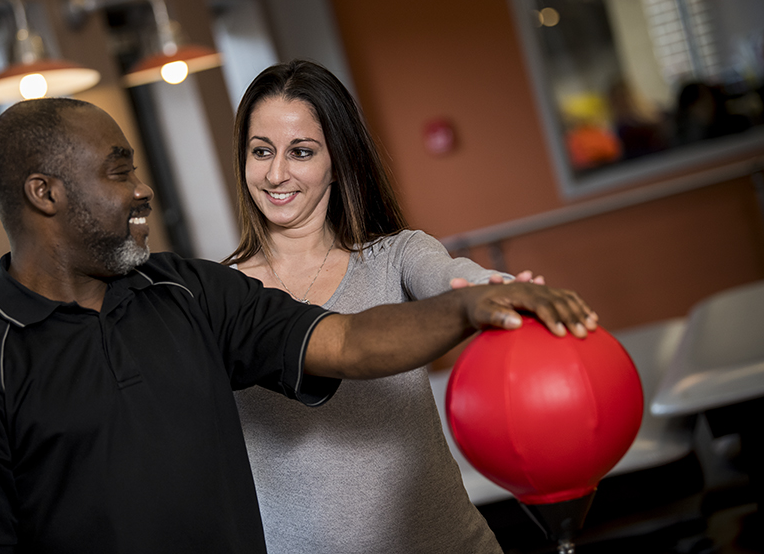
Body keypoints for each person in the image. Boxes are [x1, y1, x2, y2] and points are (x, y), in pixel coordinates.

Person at [0, 97, 596, 554]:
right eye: (119, 172)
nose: (142, 189)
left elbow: (347, 341)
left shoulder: (187, 291)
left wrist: (468, 305)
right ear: (44, 193)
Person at [223, 60, 574, 553]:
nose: (276, 173)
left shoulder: (397, 257)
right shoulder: (220, 293)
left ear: (338, 161)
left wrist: (498, 288)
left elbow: (455, 280)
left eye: (301, 152)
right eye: (261, 152)